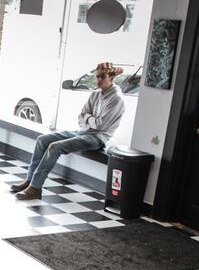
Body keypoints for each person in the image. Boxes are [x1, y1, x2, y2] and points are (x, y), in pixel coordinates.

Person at [11, 62, 126, 200]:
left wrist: (88, 118)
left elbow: (100, 126)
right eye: (97, 77)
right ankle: (29, 180)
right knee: (42, 140)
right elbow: (81, 116)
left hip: (98, 138)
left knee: (55, 147)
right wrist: (90, 119)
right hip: (83, 132)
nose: (98, 80)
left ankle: (35, 188)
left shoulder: (116, 99)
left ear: (111, 77)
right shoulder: (95, 94)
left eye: (102, 77)